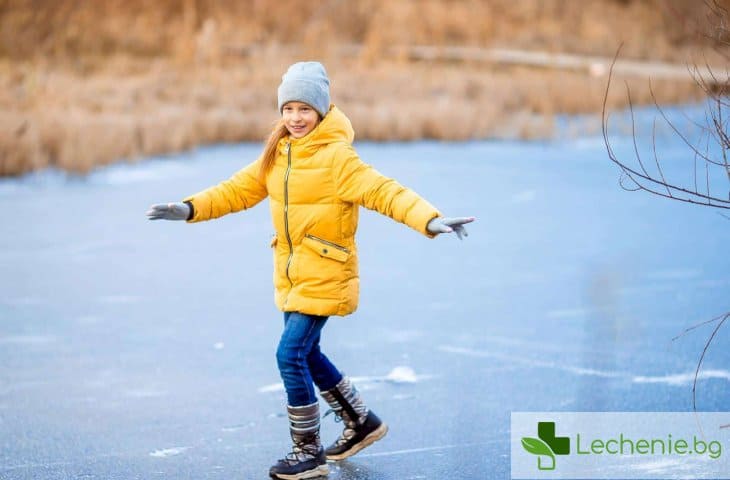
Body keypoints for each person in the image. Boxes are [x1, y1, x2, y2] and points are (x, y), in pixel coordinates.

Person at [146, 61, 474, 480]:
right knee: (307, 353)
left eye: (304, 109)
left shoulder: (337, 157)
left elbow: (384, 191)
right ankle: (361, 423)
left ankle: (308, 451)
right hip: (292, 273)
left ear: (321, 110)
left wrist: (429, 219)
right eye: (288, 109)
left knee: (289, 354)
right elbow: (236, 190)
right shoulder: (277, 153)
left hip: (325, 273)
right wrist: (189, 208)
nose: (295, 118)